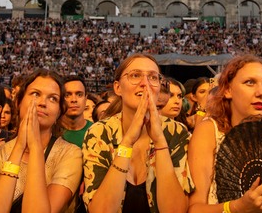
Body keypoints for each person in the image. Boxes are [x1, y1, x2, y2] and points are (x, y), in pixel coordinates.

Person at [188, 54, 262, 213]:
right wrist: (235, 207)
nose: (261, 92)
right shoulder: (209, 129)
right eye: (250, 82)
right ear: (228, 90)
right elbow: (195, 209)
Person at [82, 54, 192, 213]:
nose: (145, 83)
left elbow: (174, 210)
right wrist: (126, 143)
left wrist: (160, 142)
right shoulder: (100, 132)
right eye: (135, 75)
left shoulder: (175, 132)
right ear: (118, 88)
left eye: (153, 77)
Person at [0, 69, 83, 213]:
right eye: (35, 94)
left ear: (59, 112)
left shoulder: (70, 154)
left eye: (53, 98)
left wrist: (35, 147)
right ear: (19, 102)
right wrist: (19, 148)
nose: (42, 103)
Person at [61, 76, 93, 148]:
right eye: (67, 95)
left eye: (79, 95)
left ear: (85, 99)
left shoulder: (97, 131)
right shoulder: (51, 132)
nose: (74, 99)